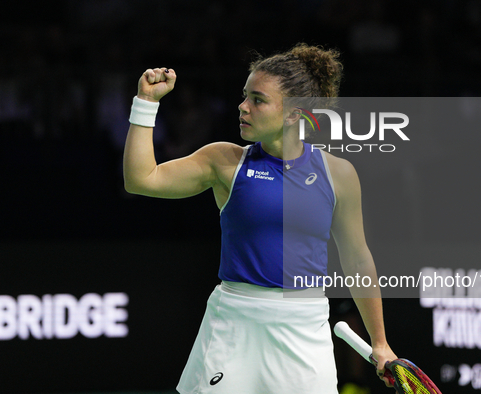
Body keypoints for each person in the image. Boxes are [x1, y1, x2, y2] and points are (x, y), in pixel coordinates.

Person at [123, 43, 397, 394]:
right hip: (234, 324)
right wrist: (146, 102)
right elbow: (140, 179)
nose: (243, 106)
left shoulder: (337, 174)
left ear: (295, 113)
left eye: (258, 99)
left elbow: (357, 258)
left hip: (304, 329)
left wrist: (381, 342)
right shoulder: (224, 161)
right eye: (244, 96)